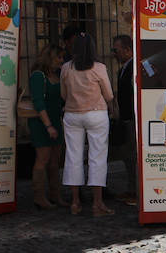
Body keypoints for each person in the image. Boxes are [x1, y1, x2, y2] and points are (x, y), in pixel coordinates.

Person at [61, 32, 115, 217]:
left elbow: (63, 94)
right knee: (97, 157)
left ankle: (75, 202)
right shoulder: (99, 68)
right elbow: (108, 95)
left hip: (72, 115)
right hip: (96, 114)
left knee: (73, 157)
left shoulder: (66, 68)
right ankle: (97, 203)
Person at [26, 43, 65, 209]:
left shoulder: (57, 76)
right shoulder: (38, 76)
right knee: (43, 158)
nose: (61, 61)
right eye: (59, 57)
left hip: (56, 120)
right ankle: (39, 196)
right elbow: (38, 102)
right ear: (50, 58)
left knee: (55, 160)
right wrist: (48, 125)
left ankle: (55, 195)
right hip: (42, 123)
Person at [111, 34, 137, 205]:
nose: (114, 54)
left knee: (133, 157)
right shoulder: (122, 69)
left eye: (116, 50)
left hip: (133, 119)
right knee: (127, 157)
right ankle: (131, 188)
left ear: (127, 50)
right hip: (126, 118)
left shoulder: (135, 68)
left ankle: (135, 191)